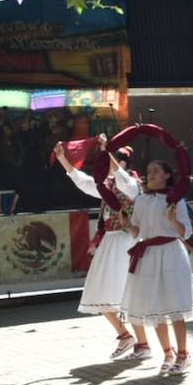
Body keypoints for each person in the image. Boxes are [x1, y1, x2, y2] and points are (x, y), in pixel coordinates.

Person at [53, 139, 137, 358]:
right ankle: (125, 335)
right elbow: (83, 182)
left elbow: (120, 175)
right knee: (99, 294)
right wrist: (63, 158)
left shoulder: (131, 184)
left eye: (109, 161)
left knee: (131, 296)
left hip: (126, 243)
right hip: (109, 243)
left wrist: (105, 149)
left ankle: (143, 343)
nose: (105, 166)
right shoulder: (105, 186)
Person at [113, 159, 193, 376]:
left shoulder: (175, 200)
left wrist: (173, 219)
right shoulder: (141, 200)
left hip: (170, 253)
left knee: (175, 308)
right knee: (156, 308)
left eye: (156, 171)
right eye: (149, 171)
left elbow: (185, 231)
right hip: (149, 255)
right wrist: (128, 225)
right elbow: (137, 231)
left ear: (167, 175)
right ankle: (168, 354)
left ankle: (183, 354)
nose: (151, 174)